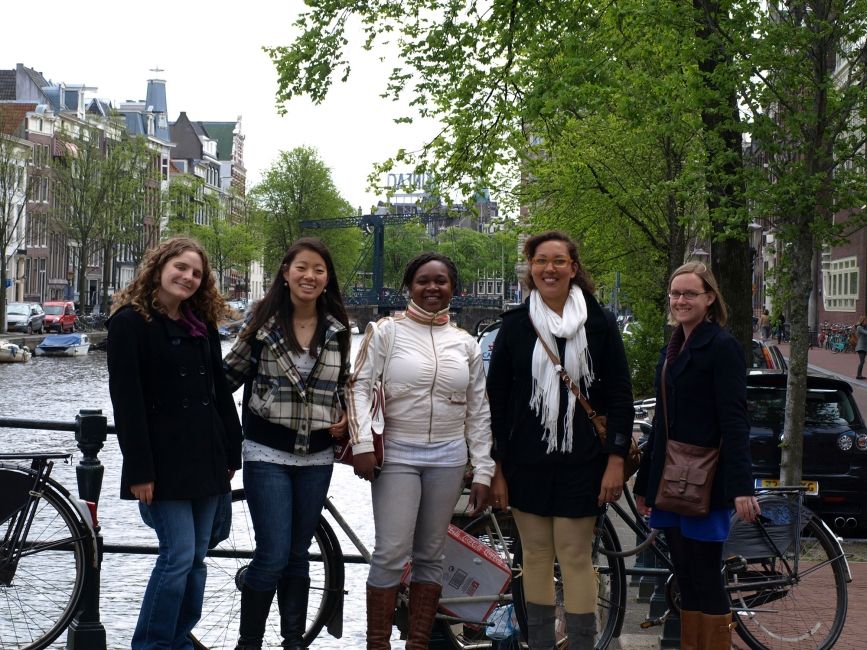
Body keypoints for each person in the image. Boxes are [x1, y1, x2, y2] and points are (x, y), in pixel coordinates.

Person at [486, 231, 634, 650]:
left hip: (584, 460)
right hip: (526, 461)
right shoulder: (515, 325)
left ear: (573, 268)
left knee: (574, 555)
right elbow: (495, 402)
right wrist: (496, 467)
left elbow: (620, 395)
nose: (549, 269)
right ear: (530, 267)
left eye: (559, 261)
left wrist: (616, 460)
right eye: (541, 261)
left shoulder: (600, 323)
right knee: (534, 555)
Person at [346, 252, 495, 650]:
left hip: (448, 456)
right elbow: (358, 386)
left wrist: (482, 469)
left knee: (431, 554)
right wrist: (362, 443)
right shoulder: (385, 332)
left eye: (441, 281)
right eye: (423, 281)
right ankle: (378, 643)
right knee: (392, 552)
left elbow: (478, 409)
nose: (432, 288)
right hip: (397, 453)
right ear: (409, 287)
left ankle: (419, 644)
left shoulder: (465, 344)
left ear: (453, 289)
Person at [106, 236, 242, 649]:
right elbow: (126, 403)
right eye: (181, 267)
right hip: (163, 465)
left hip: (205, 459)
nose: (188, 277)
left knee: (196, 559)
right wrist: (140, 471)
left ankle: (180, 639)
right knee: (179, 554)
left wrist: (231, 452)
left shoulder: (199, 324)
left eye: (197, 273)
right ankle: (151, 644)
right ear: (160, 267)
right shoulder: (129, 323)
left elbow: (219, 393)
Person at [222, 237, 351, 649]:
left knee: (298, 554)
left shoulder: (338, 329)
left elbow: (344, 384)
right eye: (302, 268)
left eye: (318, 269)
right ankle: (249, 643)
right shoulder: (262, 325)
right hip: (267, 452)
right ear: (286, 273)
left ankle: (294, 640)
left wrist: (348, 413)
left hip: (317, 456)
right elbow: (227, 377)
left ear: (327, 278)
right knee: (274, 553)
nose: (309, 276)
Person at [633, 261, 761, 650]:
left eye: (689, 293)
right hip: (672, 480)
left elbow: (735, 421)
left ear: (709, 298)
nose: (680, 300)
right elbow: (663, 424)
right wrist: (644, 484)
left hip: (708, 480)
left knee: (706, 575)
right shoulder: (670, 349)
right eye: (675, 294)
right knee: (685, 575)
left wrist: (740, 486)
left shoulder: (722, 347)